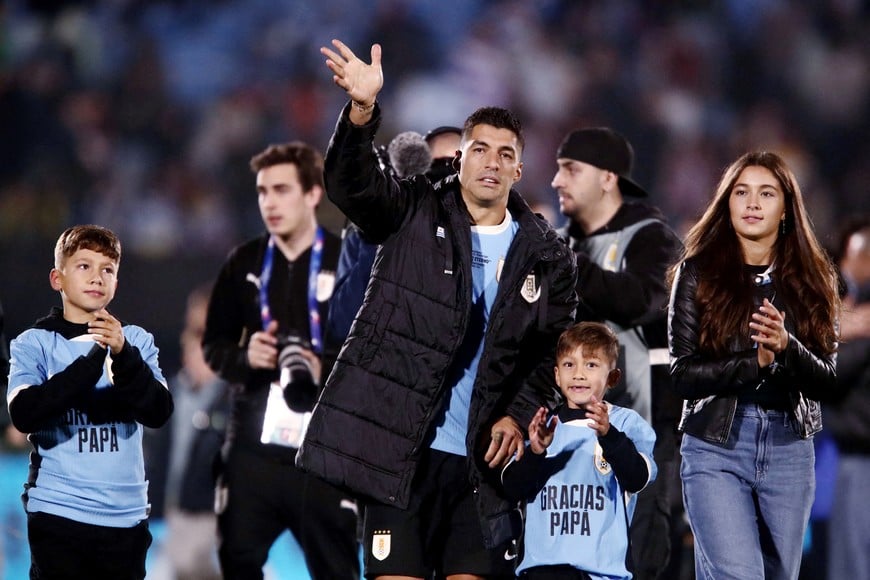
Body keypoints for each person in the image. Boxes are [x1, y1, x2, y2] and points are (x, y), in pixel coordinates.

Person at [298, 40, 578, 580]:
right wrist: (361, 114)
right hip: (400, 454)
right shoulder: (414, 206)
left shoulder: (548, 258)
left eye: (505, 154)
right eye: (480, 149)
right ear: (460, 156)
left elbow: (552, 355)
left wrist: (518, 415)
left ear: (520, 170)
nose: (491, 162)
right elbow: (350, 187)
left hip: (480, 468)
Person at [667, 151, 841, 580]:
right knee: (739, 574)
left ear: (786, 209)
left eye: (766, 193)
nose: (752, 203)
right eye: (741, 192)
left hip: (789, 448)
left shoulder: (813, 280)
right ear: (726, 202)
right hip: (716, 445)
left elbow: (827, 381)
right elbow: (682, 374)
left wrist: (786, 348)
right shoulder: (696, 274)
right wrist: (755, 362)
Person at [201, 142, 359, 580]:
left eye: (282, 190)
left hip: (325, 452)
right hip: (254, 450)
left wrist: (324, 368)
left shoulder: (346, 259)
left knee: (338, 569)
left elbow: (371, 350)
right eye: (262, 191)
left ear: (312, 194)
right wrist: (243, 356)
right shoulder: (244, 262)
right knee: (237, 561)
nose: (269, 202)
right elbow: (213, 345)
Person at [551, 127, 684, 579]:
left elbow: (642, 300)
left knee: (639, 555)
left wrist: (566, 264)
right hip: (572, 434)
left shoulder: (653, 239)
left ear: (608, 178)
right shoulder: (562, 243)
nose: (557, 181)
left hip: (643, 429)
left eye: (571, 169)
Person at [6, 224, 174, 579]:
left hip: (125, 518)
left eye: (107, 269)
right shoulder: (33, 343)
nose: (97, 277)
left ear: (116, 282)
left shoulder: (136, 341)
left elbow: (158, 411)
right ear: (58, 278)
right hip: (59, 513)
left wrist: (124, 355)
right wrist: (93, 359)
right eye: (84, 266)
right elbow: (24, 413)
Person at [502, 321, 657, 580]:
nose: (579, 374)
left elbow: (638, 477)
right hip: (542, 571)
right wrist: (537, 451)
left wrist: (609, 436)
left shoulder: (626, 424)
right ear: (556, 375)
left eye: (591, 364)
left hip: (602, 573)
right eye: (569, 364)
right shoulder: (541, 426)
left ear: (613, 377)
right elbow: (512, 487)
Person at [144, 284, 230, 580]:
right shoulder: (175, 392)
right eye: (193, 331)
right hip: (176, 522)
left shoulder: (237, 396)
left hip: (219, 526)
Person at [824, 217, 870, 580]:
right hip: (841, 454)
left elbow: (829, 375)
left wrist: (834, 334)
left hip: (860, 458)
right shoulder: (847, 308)